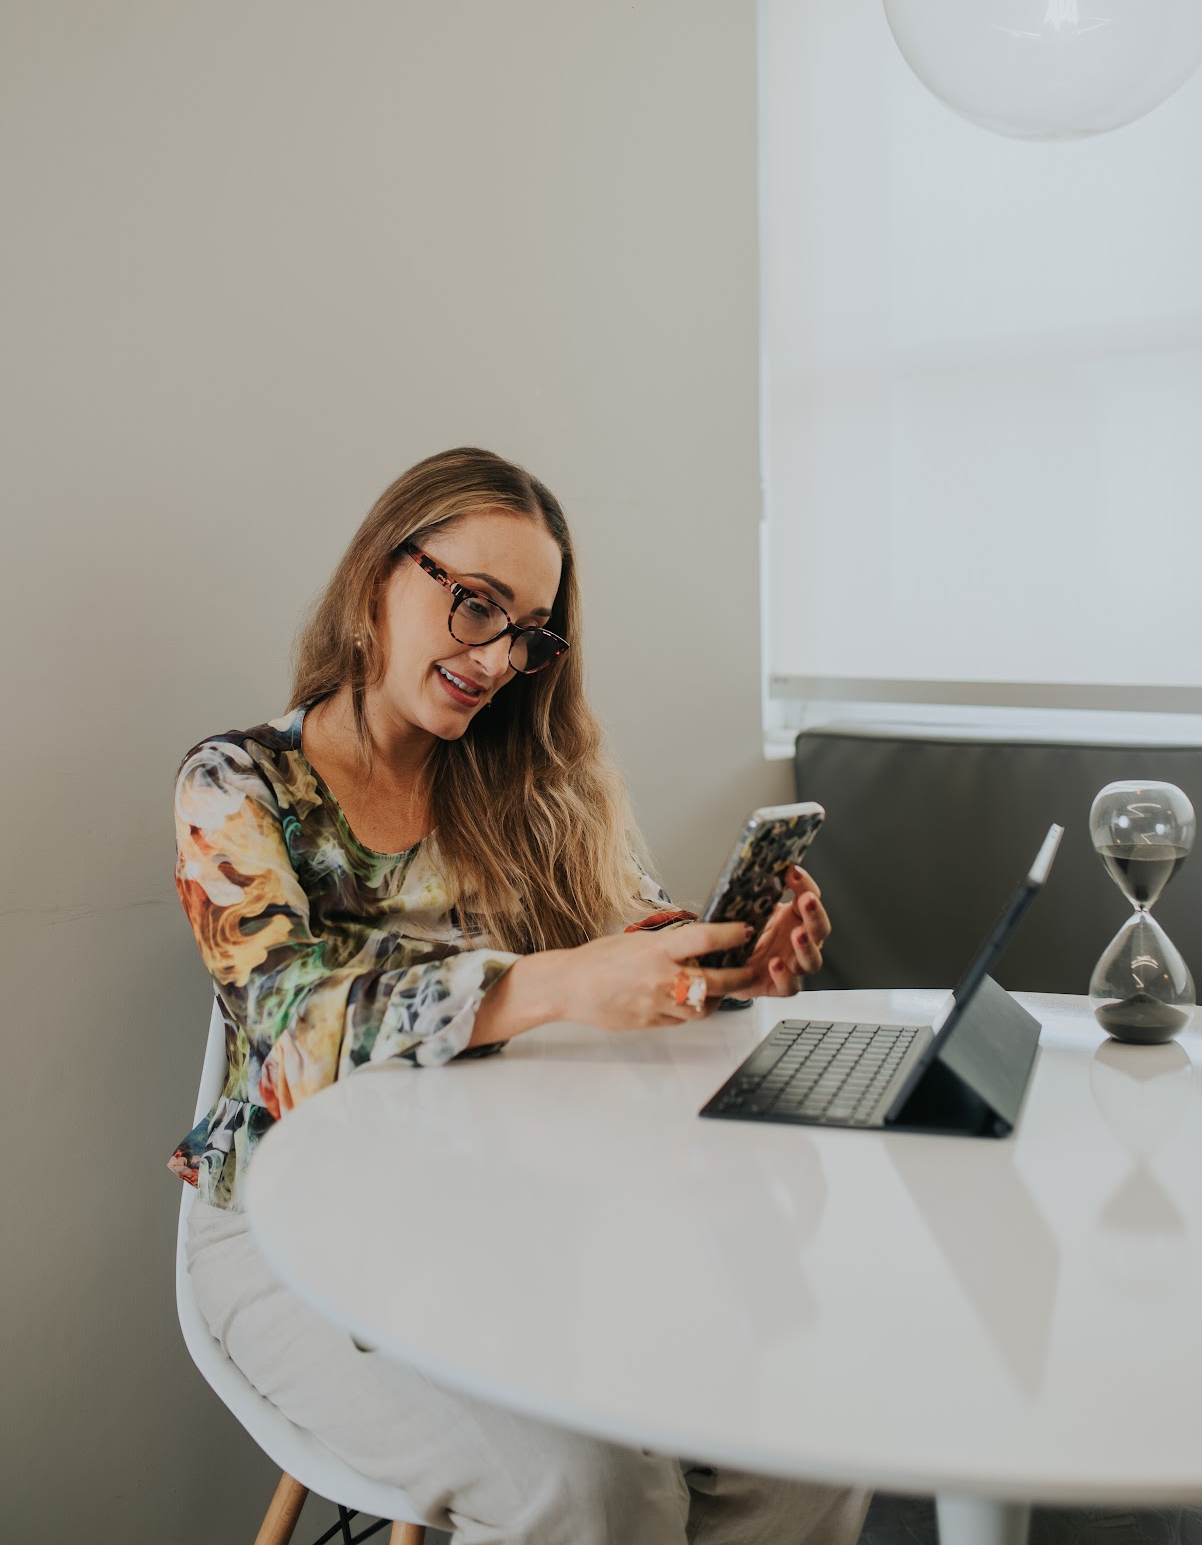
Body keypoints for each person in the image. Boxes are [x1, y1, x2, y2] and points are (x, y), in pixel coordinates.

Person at [173, 446, 869, 1545]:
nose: (498, 657)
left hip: (527, 1209)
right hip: (296, 1221)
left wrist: (723, 961)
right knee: (593, 1485)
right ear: (378, 577)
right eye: (475, 606)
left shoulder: (530, 779)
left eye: (528, 632)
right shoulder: (237, 783)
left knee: (799, 1443)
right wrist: (554, 981)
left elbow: (635, 934)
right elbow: (292, 1026)